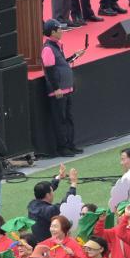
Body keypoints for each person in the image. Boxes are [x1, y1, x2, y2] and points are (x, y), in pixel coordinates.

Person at [41, 19, 87, 156]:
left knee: (68, 119)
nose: (62, 31)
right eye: (59, 29)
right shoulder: (48, 49)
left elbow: (62, 64)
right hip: (58, 92)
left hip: (66, 89)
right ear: (53, 32)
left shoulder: (57, 46)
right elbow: (49, 71)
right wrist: (56, 89)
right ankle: (62, 147)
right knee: (60, 120)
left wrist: (75, 56)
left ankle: (70, 145)